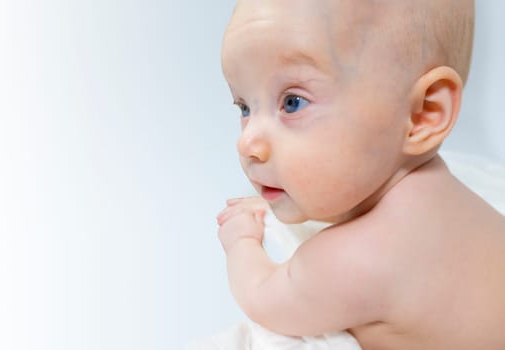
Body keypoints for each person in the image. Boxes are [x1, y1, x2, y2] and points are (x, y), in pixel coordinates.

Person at [216, 0, 505, 348]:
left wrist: (241, 241)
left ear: (424, 113)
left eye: (292, 102)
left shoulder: (359, 258)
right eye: (244, 107)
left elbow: (262, 297)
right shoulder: (447, 199)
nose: (247, 143)